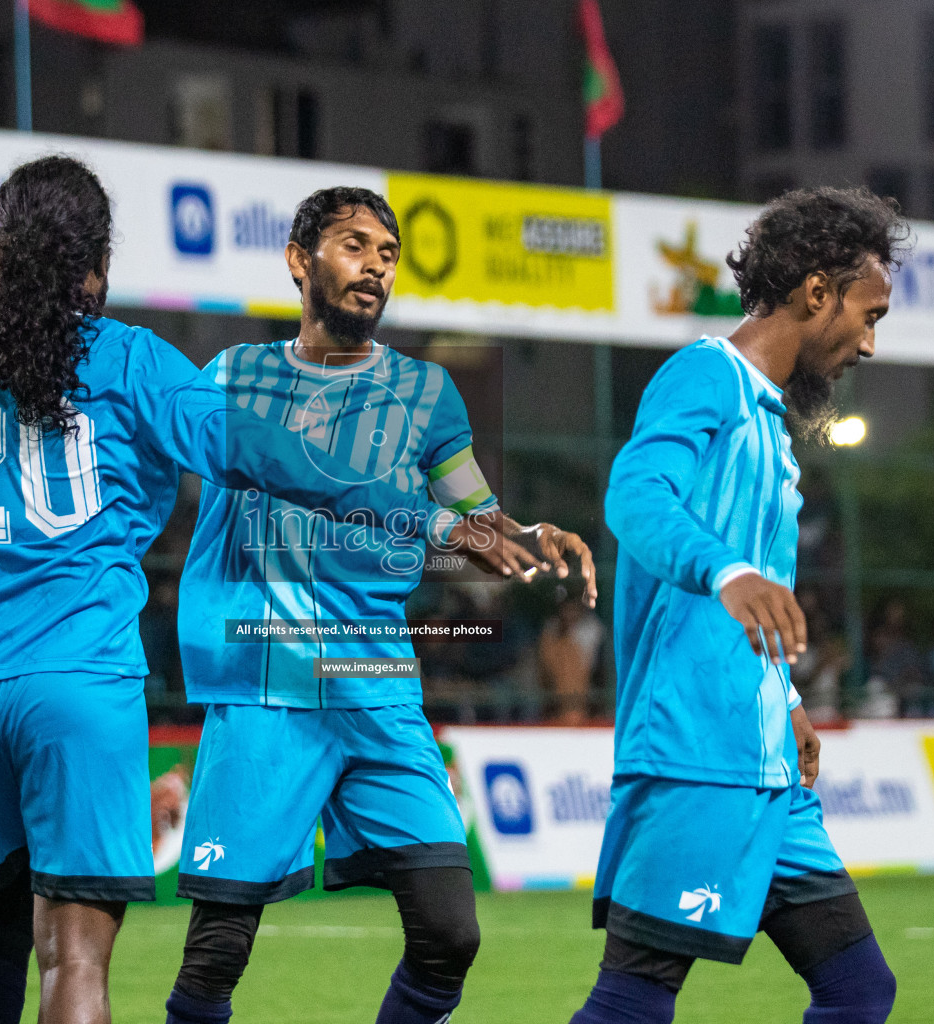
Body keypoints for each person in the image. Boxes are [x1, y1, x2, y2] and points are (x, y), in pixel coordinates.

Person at [0, 156, 500, 1024]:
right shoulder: (132, 360)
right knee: (72, 952)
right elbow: (259, 454)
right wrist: (415, 513)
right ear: (95, 262)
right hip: (78, 680)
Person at [162, 187, 595, 1024]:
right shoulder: (232, 377)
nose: (374, 268)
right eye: (354, 246)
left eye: (387, 255)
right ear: (299, 261)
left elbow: (475, 516)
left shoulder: (428, 393)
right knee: (217, 952)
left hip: (377, 684)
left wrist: (524, 531)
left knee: (449, 933)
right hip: (265, 682)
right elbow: (153, 480)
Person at [574, 187, 905, 1024]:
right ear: (816, 291)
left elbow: (755, 603)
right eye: (869, 315)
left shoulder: (770, 425)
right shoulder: (704, 376)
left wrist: (786, 699)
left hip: (767, 765)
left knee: (860, 992)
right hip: (693, 753)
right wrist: (726, 572)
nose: (870, 343)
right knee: (632, 1003)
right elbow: (636, 495)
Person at [540, 592, 606, 724]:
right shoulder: (552, 630)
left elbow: (591, 667)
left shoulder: (592, 628)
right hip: (556, 700)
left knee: (570, 656)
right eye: (566, 609)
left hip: (587, 689)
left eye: (573, 608)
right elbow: (547, 666)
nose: (569, 613)